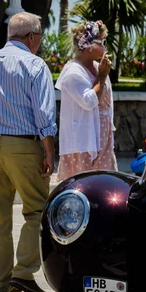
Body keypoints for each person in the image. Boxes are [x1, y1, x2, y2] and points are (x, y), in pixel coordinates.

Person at [0, 12, 56, 292]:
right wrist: (49, 151)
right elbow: (44, 112)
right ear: (30, 37)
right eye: (39, 37)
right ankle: (24, 272)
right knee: (38, 209)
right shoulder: (35, 65)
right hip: (24, 144)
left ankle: (1, 283)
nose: (40, 42)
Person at [56, 21, 117, 181]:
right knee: (85, 187)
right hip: (84, 144)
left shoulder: (97, 67)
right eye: (102, 42)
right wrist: (102, 76)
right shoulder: (73, 73)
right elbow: (89, 101)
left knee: (104, 187)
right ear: (89, 46)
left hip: (102, 141)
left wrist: (102, 74)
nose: (105, 47)